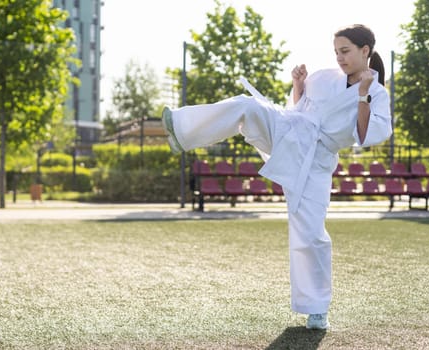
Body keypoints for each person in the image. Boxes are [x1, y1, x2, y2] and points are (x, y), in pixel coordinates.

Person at [161, 24, 392, 330]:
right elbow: (298, 107)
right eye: (336, 51)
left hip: (317, 162)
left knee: (310, 233)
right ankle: (182, 129)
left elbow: (364, 136)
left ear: (365, 51)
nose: (339, 58)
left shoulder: (378, 94)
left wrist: (363, 96)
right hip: (288, 131)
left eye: (345, 51)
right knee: (247, 106)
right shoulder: (324, 77)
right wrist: (297, 84)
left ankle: (317, 308)